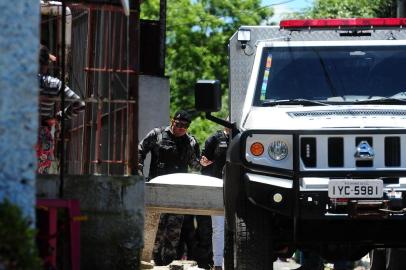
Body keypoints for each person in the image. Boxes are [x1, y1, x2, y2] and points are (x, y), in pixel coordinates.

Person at [138, 110, 201, 266]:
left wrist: (204, 162)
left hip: (178, 190)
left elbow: (195, 165)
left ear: (188, 127)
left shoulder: (191, 142)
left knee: (174, 230)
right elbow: (140, 150)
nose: (180, 128)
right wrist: (138, 170)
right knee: (154, 226)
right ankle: (150, 260)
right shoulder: (157, 134)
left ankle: (168, 262)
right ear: (172, 121)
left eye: (184, 126)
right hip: (157, 188)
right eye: (177, 124)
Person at [37, 44, 85, 174]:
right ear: (46, 64)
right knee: (41, 178)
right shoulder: (55, 84)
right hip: (43, 135)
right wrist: (58, 117)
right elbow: (80, 104)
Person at [200, 126, 231, 270]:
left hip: (239, 190)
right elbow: (204, 164)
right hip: (217, 188)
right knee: (218, 228)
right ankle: (218, 264)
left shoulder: (243, 137)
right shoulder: (214, 139)